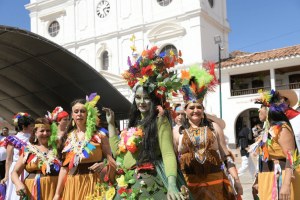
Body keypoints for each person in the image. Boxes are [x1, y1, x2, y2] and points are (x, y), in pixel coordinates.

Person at [100, 46, 187, 199]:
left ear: (153, 99)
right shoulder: (134, 123)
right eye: (138, 97)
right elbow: (118, 152)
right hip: (125, 183)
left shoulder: (160, 121)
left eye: (146, 98)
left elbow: (167, 153)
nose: (141, 102)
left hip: (147, 184)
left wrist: (172, 183)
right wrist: (112, 124)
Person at [176, 63, 243, 199]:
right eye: (191, 107)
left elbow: (226, 155)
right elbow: (172, 159)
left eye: (199, 107)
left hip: (216, 184)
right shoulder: (177, 131)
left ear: (203, 109)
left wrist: (236, 180)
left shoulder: (214, 127)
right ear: (185, 110)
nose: (195, 110)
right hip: (189, 186)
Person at [53, 94, 111, 200]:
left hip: (94, 183)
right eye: (76, 112)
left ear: (88, 113)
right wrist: (57, 194)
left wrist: (103, 164)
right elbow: (64, 168)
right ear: (72, 115)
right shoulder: (66, 137)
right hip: (73, 184)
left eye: (82, 111)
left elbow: (111, 160)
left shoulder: (100, 135)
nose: (79, 114)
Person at [249, 90, 300, 200]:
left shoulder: (282, 129)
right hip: (267, 177)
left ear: (268, 109)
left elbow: (291, 159)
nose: (259, 110)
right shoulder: (267, 130)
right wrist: (257, 179)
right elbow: (264, 157)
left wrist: (286, 186)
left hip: (280, 179)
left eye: (261, 107)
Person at [11, 118, 60, 199]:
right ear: (35, 133)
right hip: (33, 189)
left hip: (54, 188)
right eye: (42, 131)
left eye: (48, 130)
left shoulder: (57, 149)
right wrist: (18, 184)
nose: (45, 133)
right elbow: (15, 172)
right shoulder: (28, 150)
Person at [0, 113, 34, 200]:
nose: (33, 128)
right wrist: (6, 176)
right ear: (24, 126)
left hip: (30, 169)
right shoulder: (12, 139)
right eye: (31, 126)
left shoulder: (35, 139)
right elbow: (9, 160)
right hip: (16, 170)